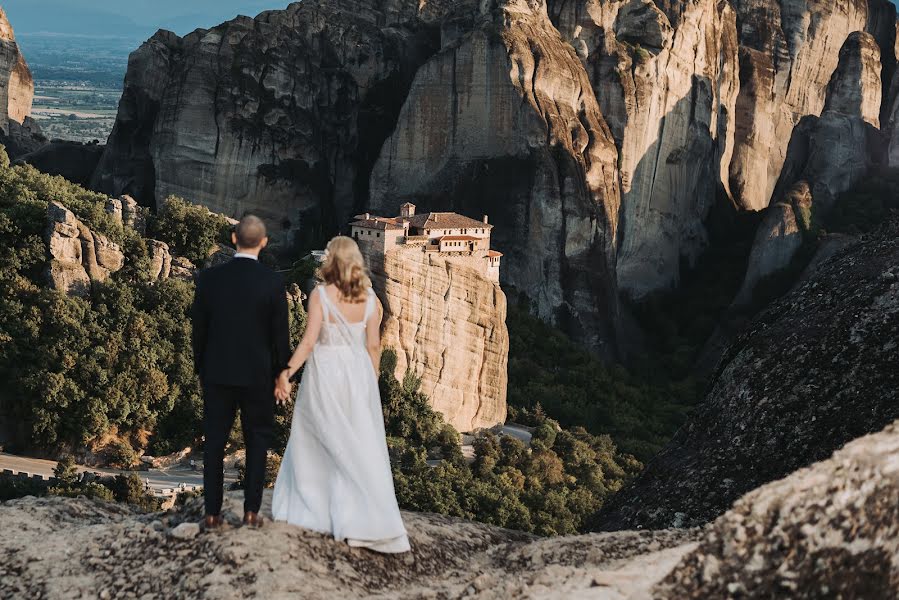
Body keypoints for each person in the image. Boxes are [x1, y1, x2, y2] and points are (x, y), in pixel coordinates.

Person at [272, 236, 410, 553]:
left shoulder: (321, 295)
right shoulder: (372, 300)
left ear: (331, 261)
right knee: (357, 440)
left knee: (316, 436)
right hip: (357, 371)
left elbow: (308, 343)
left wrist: (286, 372)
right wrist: (370, 380)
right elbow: (373, 346)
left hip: (325, 368)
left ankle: (317, 508)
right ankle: (363, 515)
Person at [191, 214, 290, 530]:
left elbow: (199, 331)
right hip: (258, 376)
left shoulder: (209, 279)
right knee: (257, 441)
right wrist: (281, 374)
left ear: (234, 239)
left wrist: (201, 368)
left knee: (215, 443)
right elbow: (280, 338)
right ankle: (251, 512)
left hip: (217, 373)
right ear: (263, 243)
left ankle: (212, 514)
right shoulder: (273, 283)